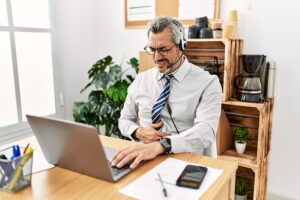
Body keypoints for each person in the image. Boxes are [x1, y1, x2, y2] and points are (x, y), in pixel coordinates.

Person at [111, 17, 222, 169]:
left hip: (185, 161)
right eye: (152, 49)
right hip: (143, 160)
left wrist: (162, 145)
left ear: (181, 45)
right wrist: (138, 131)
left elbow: (206, 131)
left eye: (163, 49)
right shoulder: (141, 79)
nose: (156, 58)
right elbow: (124, 120)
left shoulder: (208, 83)